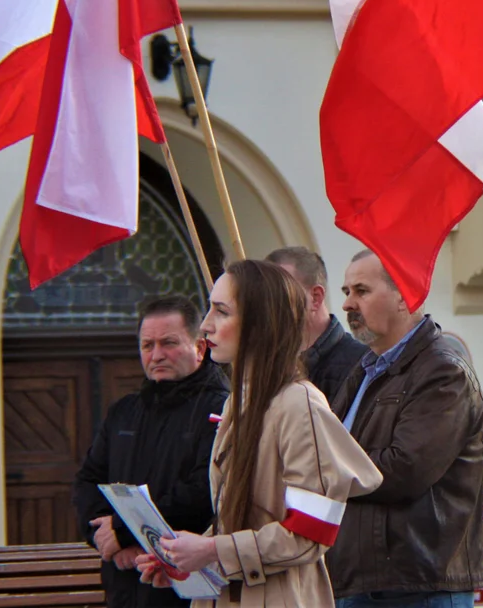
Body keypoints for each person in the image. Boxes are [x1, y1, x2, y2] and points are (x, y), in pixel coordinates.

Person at [137, 260, 382, 607]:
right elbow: (238, 523)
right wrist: (185, 561)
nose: (206, 325)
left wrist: (210, 550)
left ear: (260, 325)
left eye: (221, 312)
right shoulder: (238, 402)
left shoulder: (300, 404)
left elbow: (310, 533)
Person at [327, 250, 483, 608]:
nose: (348, 304)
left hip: (417, 586)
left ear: (404, 294)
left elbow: (405, 469)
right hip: (359, 581)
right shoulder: (365, 370)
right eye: (346, 291)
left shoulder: (443, 371)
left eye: (361, 291)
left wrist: (323, 469)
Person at [73, 295, 229, 608]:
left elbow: (205, 491)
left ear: (200, 347)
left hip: (188, 586)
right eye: (147, 345)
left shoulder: (223, 409)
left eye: (169, 343)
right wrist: (112, 544)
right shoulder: (124, 412)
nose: (157, 354)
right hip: (124, 584)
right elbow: (87, 482)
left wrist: (125, 532)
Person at [267, 246, 367, 403]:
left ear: (315, 297)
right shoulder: (271, 367)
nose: (267, 304)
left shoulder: (362, 365)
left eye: (278, 292)